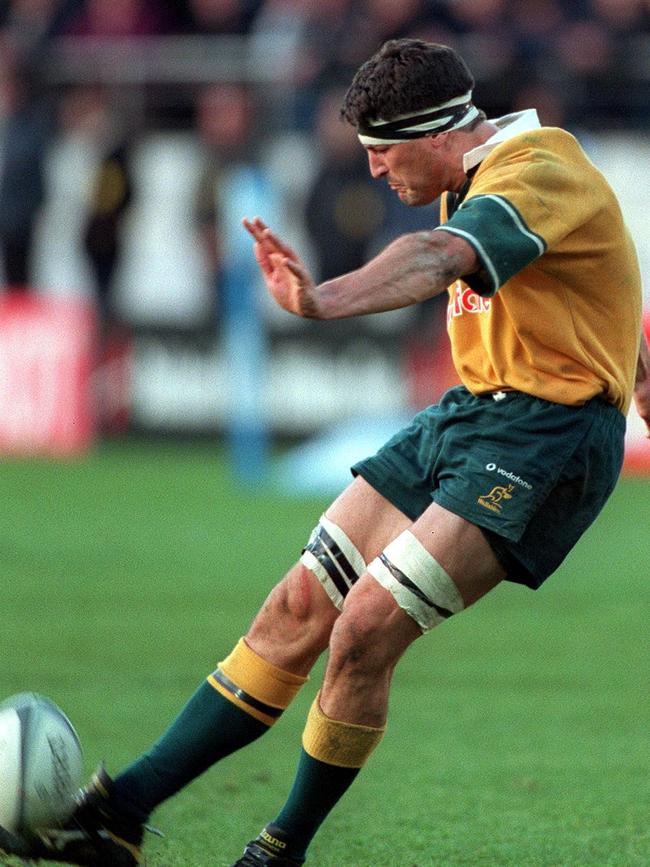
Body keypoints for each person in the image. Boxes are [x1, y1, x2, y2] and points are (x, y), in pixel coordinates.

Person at [2, 37, 650, 867]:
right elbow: (597, 280)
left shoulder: (535, 169)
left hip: (544, 438)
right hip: (471, 415)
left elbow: (435, 256)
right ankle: (120, 810)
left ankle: (280, 849)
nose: (377, 173)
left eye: (383, 152)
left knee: (366, 628)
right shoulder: (485, 176)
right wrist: (641, 377)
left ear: (438, 132)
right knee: (297, 608)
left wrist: (319, 300)